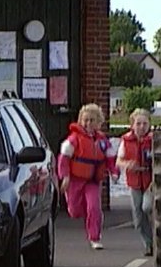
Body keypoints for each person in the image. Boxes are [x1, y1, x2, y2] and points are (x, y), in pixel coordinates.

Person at [57, 103, 119, 250]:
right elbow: (64, 159)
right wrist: (65, 177)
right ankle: (84, 212)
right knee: (74, 210)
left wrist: (114, 172)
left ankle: (94, 237)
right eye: (85, 120)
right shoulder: (74, 139)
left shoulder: (103, 141)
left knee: (94, 207)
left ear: (98, 122)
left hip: (92, 181)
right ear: (80, 121)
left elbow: (110, 159)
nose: (88, 123)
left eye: (92, 120)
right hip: (75, 180)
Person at [116, 108, 153, 256]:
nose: (141, 127)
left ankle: (156, 239)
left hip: (151, 181)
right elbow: (118, 160)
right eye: (138, 123)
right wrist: (127, 165)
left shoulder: (153, 141)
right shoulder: (126, 141)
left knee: (147, 207)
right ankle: (149, 244)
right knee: (137, 217)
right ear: (132, 125)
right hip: (134, 182)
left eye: (145, 123)